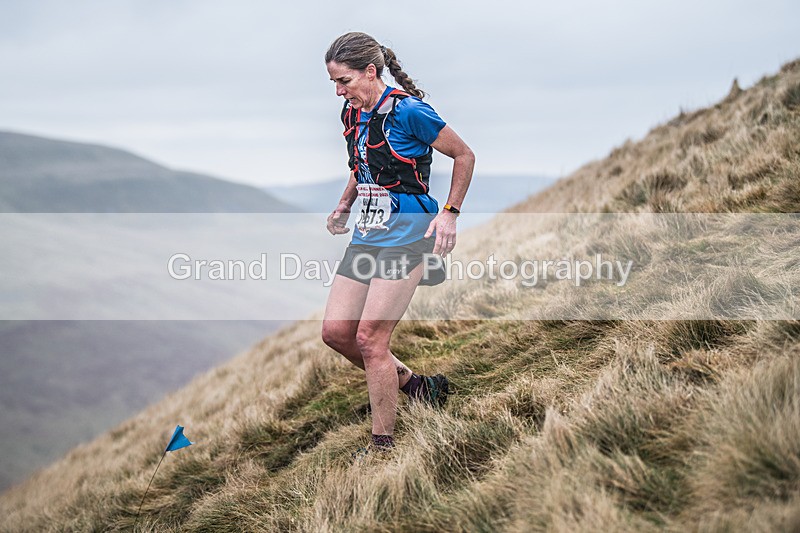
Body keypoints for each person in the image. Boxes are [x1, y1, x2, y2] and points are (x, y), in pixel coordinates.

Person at [321, 32, 475, 453]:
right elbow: (362, 163)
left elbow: (464, 155)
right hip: (368, 233)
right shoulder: (352, 113)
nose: (339, 90)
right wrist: (344, 204)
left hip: (408, 234)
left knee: (371, 339)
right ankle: (417, 386)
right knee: (336, 333)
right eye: (334, 82)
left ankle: (382, 445)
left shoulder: (410, 112)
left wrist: (450, 213)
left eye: (345, 81)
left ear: (371, 72)